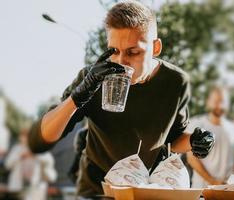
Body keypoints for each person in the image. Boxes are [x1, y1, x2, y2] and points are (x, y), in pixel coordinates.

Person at [28, 0, 214, 197]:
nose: (122, 62)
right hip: (96, 191)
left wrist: (195, 140)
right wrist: (77, 96)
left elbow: (172, 141)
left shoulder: (176, 82)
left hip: (142, 192)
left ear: (156, 47)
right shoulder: (92, 78)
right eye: (114, 51)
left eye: (133, 52)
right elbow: (38, 141)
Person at [186, 87, 234, 188]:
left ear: (228, 104)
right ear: (208, 102)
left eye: (222, 102)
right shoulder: (196, 125)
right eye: (216, 101)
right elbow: (191, 159)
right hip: (201, 189)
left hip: (227, 190)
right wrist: (213, 182)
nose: (219, 106)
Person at [5, 129, 57, 200]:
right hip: (18, 187)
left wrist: (35, 155)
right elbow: (8, 165)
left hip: (36, 187)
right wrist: (20, 156)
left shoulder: (39, 149)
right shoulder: (16, 149)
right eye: (23, 137)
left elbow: (49, 161)